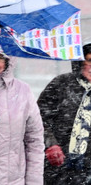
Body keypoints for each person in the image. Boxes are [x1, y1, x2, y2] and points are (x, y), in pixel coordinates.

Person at [0, 39, 45, 184]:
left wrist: (34, 182)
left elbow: (34, 142)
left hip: (12, 180)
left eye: (0, 57)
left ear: (8, 62)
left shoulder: (23, 91)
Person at [37, 43, 91, 184]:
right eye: (90, 60)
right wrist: (50, 144)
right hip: (58, 165)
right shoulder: (62, 83)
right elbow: (38, 118)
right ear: (80, 62)